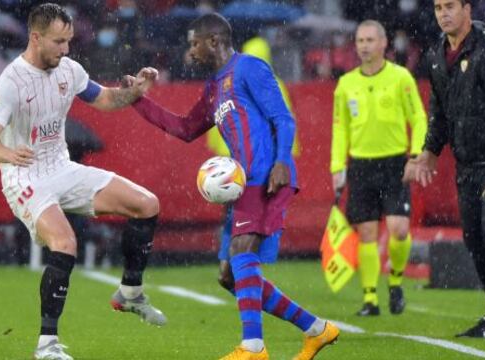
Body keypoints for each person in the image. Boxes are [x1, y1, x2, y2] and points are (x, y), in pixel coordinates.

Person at [127, 13, 339, 360]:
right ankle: (317, 329)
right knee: (229, 276)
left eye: (194, 43)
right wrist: (137, 100)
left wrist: (283, 160)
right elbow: (184, 128)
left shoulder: (249, 68)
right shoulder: (213, 88)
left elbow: (282, 117)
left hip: (266, 175)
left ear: (214, 41)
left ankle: (253, 347)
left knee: (242, 251)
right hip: (244, 185)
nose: (190, 51)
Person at [0, 4, 165, 360]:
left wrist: (136, 90)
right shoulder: (12, 81)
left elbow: (107, 99)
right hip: (25, 176)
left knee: (147, 204)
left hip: (62, 167)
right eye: (58, 42)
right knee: (65, 242)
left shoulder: (69, 70)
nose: (65, 49)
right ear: (36, 38)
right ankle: (46, 345)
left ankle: (129, 293)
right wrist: (8, 154)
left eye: (69, 41)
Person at [404, 0, 485, 339]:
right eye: (438, 7)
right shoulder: (435, 55)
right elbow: (439, 111)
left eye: (450, 6)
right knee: (474, 239)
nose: (443, 13)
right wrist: (429, 150)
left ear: (467, 9)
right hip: (466, 163)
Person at [330, 20, 427, 317]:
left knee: (398, 229)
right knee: (367, 233)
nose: (364, 45)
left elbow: (419, 119)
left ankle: (395, 282)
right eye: (360, 40)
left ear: (384, 43)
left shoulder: (401, 78)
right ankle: (370, 299)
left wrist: (415, 155)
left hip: (395, 163)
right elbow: (340, 128)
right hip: (360, 165)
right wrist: (337, 165)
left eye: (370, 40)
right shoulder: (346, 84)